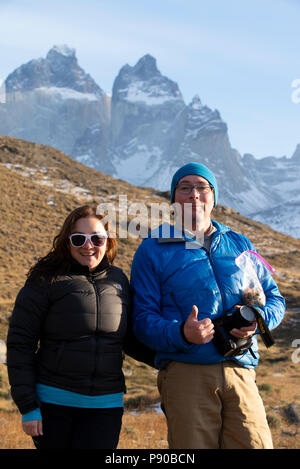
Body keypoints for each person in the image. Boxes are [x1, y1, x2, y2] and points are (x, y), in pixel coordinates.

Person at [130, 162, 285, 449]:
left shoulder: (239, 243)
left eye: (202, 187)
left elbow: (274, 298)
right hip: (187, 372)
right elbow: (141, 319)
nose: (194, 194)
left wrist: (258, 320)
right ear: (174, 198)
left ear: (213, 197)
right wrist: (181, 333)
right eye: (185, 187)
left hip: (241, 371)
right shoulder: (153, 248)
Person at [6, 205, 153, 449]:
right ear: (67, 242)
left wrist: (170, 356)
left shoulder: (118, 280)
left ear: (108, 241)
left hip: (106, 406)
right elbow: (20, 344)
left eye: (96, 238)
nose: (88, 245)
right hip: (54, 404)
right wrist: (28, 406)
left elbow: (129, 339)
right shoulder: (45, 280)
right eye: (78, 239)